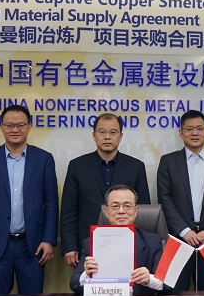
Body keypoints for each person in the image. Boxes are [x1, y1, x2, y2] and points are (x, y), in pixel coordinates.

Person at [0, 104, 58, 295]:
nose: (15, 130)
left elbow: (51, 203)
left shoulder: (43, 159)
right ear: (1, 126)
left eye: (20, 125)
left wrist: (48, 240)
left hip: (33, 247)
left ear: (29, 126)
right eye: (9, 125)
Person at [60, 113, 150, 268]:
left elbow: (143, 209)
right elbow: (69, 210)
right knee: (87, 282)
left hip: (127, 243)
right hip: (87, 243)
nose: (107, 137)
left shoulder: (136, 166)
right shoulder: (77, 166)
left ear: (121, 136)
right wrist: (70, 246)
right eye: (102, 132)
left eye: (113, 132)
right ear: (94, 135)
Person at [157, 110, 204, 291]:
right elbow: (165, 198)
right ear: (181, 133)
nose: (195, 133)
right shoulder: (168, 162)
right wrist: (185, 231)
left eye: (199, 128)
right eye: (189, 129)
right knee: (173, 293)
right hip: (178, 238)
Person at [70, 185, 166, 296]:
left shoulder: (152, 242)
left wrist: (149, 279)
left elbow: (167, 284)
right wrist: (87, 274)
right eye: (115, 206)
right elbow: (74, 284)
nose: (121, 211)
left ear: (135, 211)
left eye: (127, 206)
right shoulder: (91, 243)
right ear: (106, 211)